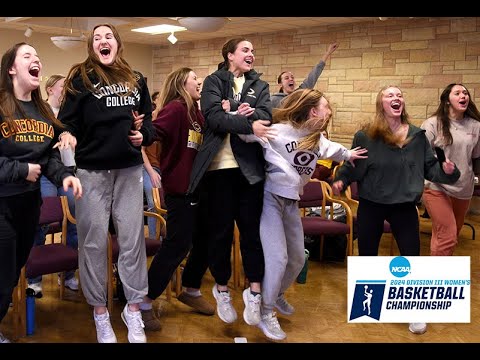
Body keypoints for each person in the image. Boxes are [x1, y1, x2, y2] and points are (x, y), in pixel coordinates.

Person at [238, 88, 367, 340]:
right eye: (326, 107)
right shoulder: (279, 130)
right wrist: (238, 117)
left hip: (291, 203)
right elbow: (245, 135)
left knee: (297, 258)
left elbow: (335, 150)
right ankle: (265, 311)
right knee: (278, 259)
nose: (329, 112)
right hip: (270, 199)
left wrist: (350, 154)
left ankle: (274, 295)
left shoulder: (316, 138)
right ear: (313, 110)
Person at [332, 85, 461, 336]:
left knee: (411, 256)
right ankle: (369, 306)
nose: (396, 98)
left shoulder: (417, 136)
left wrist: (448, 172)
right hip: (372, 203)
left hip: (404, 206)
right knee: (368, 254)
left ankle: (414, 310)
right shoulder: (366, 135)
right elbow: (353, 166)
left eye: (399, 95)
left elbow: (430, 169)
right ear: (381, 104)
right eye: (390, 95)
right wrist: (342, 180)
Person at [57, 23, 154, 343]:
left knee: (132, 242)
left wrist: (144, 135)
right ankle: (100, 312)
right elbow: (66, 121)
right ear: (91, 46)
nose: (103, 40)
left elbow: (148, 123)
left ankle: (134, 309)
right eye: (97, 37)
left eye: (108, 36)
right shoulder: (80, 77)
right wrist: (67, 134)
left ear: (117, 43)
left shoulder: (135, 79)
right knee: (94, 242)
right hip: (91, 173)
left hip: (128, 170)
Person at [0, 42, 82, 343]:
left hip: (28, 205)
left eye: (38, 57)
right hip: (1, 203)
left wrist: (66, 177)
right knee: (3, 275)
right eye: (27, 56)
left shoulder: (42, 111)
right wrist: (21, 171)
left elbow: (47, 157)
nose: (36, 60)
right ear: (11, 68)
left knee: (12, 274)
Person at [189, 37, 274, 326]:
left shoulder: (260, 86)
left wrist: (232, 112)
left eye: (253, 50)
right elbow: (213, 119)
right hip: (219, 169)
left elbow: (266, 117)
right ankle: (222, 288)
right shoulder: (214, 81)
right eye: (245, 50)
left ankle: (255, 292)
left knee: (252, 233)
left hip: (250, 171)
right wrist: (244, 118)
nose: (252, 54)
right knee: (221, 233)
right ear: (230, 55)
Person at [139, 67, 214, 331]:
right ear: (183, 83)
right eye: (195, 78)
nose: (199, 83)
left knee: (207, 238)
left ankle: (191, 289)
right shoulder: (175, 109)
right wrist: (140, 131)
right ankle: (145, 302)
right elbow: (154, 131)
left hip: (199, 190)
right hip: (180, 190)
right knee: (177, 245)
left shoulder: (197, 113)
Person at [27, 74, 80, 297]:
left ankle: (67, 274)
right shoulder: (42, 112)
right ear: (50, 90)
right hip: (45, 174)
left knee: (74, 220)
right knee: (42, 222)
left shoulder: (68, 115)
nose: (65, 91)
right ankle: (34, 279)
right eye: (62, 87)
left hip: (67, 172)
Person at [421, 83, 480, 256]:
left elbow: (476, 157)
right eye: (458, 93)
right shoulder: (433, 124)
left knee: (448, 235)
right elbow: (420, 152)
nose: (463, 95)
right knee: (447, 236)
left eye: (465, 93)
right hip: (436, 186)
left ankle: (438, 276)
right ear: (447, 100)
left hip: (463, 188)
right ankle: (436, 278)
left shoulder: (475, 126)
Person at [270, 42, 338, 109]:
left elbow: (313, 75)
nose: (291, 79)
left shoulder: (300, 94)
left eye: (292, 77)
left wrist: (328, 53)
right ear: (280, 84)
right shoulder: (273, 100)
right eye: (286, 78)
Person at [141, 91, 162, 239]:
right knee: (155, 202)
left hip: (162, 168)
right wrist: (151, 172)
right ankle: (154, 239)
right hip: (147, 167)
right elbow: (141, 150)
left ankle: (164, 237)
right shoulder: (150, 123)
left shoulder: (166, 121)